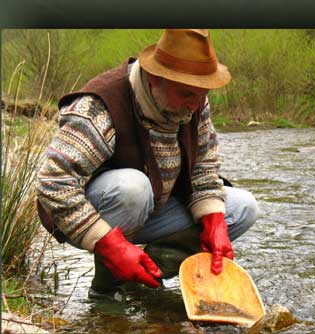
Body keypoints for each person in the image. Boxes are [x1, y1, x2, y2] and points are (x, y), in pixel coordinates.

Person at [35, 29, 259, 299]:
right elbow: (52, 183)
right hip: (93, 214)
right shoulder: (98, 107)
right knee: (133, 188)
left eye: (203, 94)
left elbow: (204, 165)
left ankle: (146, 273)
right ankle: (108, 290)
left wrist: (213, 221)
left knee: (243, 208)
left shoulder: (194, 99)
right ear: (155, 79)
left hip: (155, 208)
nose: (196, 105)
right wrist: (110, 245)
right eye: (188, 94)